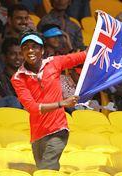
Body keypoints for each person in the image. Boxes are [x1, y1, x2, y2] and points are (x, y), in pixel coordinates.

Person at [11, 30, 87, 170]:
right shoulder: (17, 78)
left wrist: (100, 32)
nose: (30, 50)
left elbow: (84, 56)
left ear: (42, 50)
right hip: (37, 134)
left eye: (34, 46)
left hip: (58, 129)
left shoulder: (54, 63)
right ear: (22, 51)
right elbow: (33, 108)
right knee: (45, 170)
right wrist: (62, 103)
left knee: (47, 168)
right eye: (26, 47)